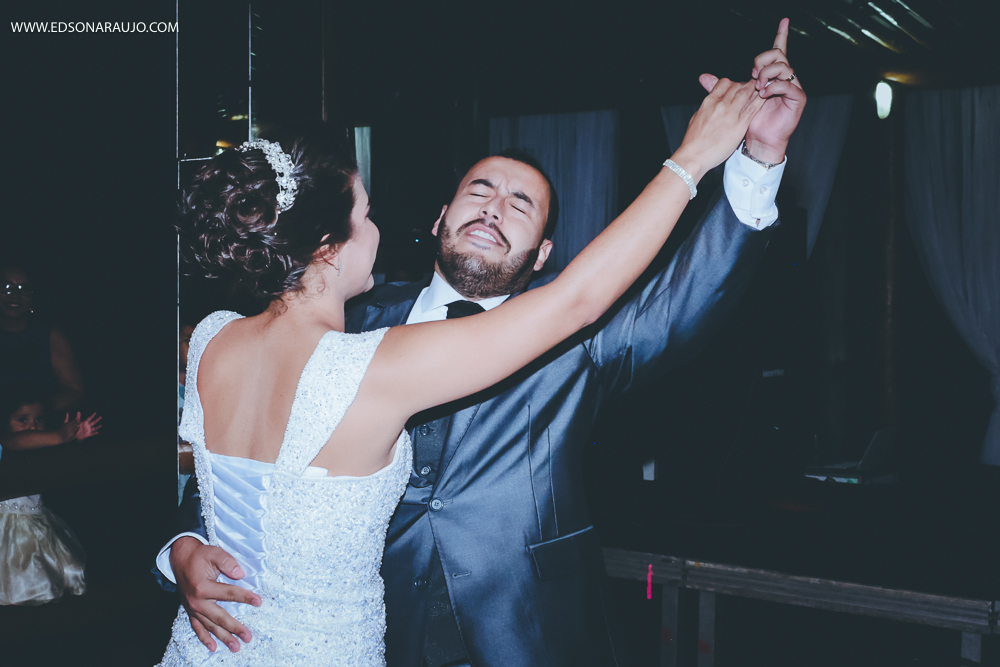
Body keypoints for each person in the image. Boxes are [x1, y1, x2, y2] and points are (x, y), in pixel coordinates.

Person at [161, 22, 806, 666]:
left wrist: (757, 162)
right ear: (440, 218)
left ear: (543, 253)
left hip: (526, 632)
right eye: (480, 190)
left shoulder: (570, 338)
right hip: (382, 634)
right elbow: (233, 480)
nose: (496, 207)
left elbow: (678, 303)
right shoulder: (354, 326)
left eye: (521, 203)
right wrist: (184, 547)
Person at [0, 385, 100, 605]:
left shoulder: (43, 449)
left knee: (62, 575)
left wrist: (76, 439)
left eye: (39, 420)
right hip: (8, 529)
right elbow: (16, 441)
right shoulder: (7, 444)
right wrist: (58, 436)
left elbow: (63, 460)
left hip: (39, 523)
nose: (33, 427)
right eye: (22, 420)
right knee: (22, 582)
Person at [0, 263, 86, 412]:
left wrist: (36, 409)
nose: (15, 294)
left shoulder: (50, 334)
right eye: (6, 287)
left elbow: (76, 391)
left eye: (24, 288)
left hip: (42, 428)